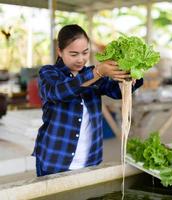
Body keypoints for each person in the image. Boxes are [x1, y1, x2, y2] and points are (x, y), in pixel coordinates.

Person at [32, 24, 143, 176]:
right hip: (56, 160)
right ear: (60, 52)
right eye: (73, 54)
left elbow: (116, 92)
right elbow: (58, 92)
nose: (81, 59)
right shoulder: (49, 73)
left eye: (85, 52)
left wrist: (131, 74)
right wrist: (97, 72)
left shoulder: (93, 75)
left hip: (91, 160)